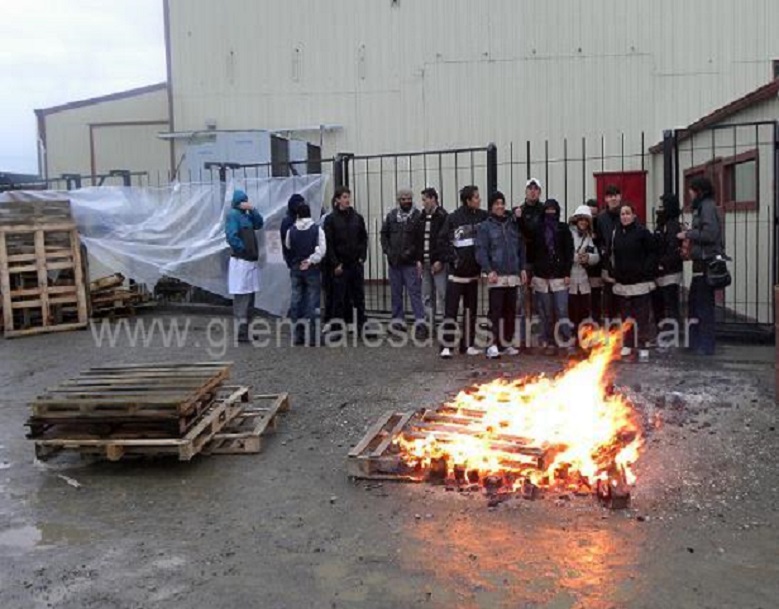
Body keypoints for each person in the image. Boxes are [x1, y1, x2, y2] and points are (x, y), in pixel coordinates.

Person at [437, 185, 489, 358]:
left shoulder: (483, 216)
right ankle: (446, 346)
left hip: (473, 275)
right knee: (451, 311)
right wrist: (453, 259)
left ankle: (467, 345)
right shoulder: (453, 218)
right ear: (468, 200)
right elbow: (442, 240)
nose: (479, 200)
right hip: (456, 276)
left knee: (470, 311)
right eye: (476, 197)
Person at [475, 191, 527, 358]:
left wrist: (522, 268)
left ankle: (506, 343)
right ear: (491, 206)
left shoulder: (513, 225)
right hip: (496, 276)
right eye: (496, 203)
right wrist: (488, 270)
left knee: (510, 311)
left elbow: (521, 247)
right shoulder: (485, 227)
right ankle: (492, 345)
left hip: (512, 274)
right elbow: (481, 250)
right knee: (495, 312)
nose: (500, 206)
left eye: (502, 203)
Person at [677, 176, 724, 356]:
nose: (689, 194)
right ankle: (695, 343)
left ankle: (705, 345)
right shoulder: (703, 207)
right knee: (695, 304)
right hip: (700, 264)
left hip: (706, 264)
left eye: (691, 190)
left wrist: (688, 234)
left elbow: (710, 234)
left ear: (699, 191)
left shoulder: (707, 207)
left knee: (703, 306)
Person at [612, 204, 656, 359]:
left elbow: (652, 253)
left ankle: (643, 344)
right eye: (622, 214)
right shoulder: (616, 233)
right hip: (623, 282)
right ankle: (628, 343)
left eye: (627, 213)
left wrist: (645, 270)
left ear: (634, 215)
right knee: (626, 316)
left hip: (640, 281)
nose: (625, 216)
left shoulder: (642, 232)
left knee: (642, 315)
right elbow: (613, 254)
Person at [380, 188, 426, 338]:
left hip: (410, 262)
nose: (407, 201)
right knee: (396, 294)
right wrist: (388, 251)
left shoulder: (418, 216)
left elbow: (419, 240)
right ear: (398, 200)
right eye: (403, 199)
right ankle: (397, 322)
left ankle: (420, 324)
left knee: (415, 294)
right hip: (394, 263)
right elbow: (384, 235)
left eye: (409, 198)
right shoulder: (392, 216)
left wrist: (411, 254)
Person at [324, 186, 369, 337]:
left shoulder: (357, 218)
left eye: (348, 196)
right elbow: (329, 243)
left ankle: (361, 325)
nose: (347, 200)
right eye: (344, 197)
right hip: (340, 265)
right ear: (337, 200)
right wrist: (335, 263)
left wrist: (362, 257)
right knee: (339, 298)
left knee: (359, 297)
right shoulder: (331, 220)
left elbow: (363, 238)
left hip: (355, 263)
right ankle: (337, 328)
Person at [530, 199, 574, 354]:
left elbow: (569, 251)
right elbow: (532, 251)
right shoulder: (538, 229)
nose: (550, 212)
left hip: (560, 276)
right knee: (546, 312)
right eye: (547, 209)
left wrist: (567, 272)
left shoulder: (563, 229)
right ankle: (549, 341)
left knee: (562, 310)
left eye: (553, 209)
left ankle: (566, 340)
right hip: (541, 277)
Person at [224, 189, 264, 343]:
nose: (246, 203)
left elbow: (259, 223)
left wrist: (253, 210)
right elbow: (231, 236)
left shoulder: (247, 216)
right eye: (243, 201)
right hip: (241, 261)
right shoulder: (233, 216)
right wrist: (243, 249)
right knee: (242, 296)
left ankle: (248, 328)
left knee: (250, 296)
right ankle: (242, 330)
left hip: (249, 261)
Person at [285, 203, 326, 346]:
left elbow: (288, 245)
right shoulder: (317, 229)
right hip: (311, 268)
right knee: (313, 302)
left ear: (297, 215)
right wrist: (310, 260)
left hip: (296, 267)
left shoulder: (291, 230)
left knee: (296, 301)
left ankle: (298, 335)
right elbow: (322, 250)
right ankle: (314, 336)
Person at [514, 178, 545, 348]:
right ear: (525, 191)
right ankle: (523, 340)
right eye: (530, 188)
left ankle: (542, 338)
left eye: (536, 189)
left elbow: (535, 233)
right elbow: (519, 236)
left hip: (540, 261)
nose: (533, 191)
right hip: (525, 261)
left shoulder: (544, 210)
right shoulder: (519, 211)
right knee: (523, 301)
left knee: (541, 301)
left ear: (539, 192)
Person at [568, 205, 600, 342]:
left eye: (586, 220)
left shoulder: (589, 237)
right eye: (581, 219)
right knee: (571, 312)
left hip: (583, 280)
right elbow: (563, 254)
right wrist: (577, 257)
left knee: (584, 312)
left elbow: (596, 256)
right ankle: (572, 337)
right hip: (570, 280)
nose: (583, 222)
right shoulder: (568, 234)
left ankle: (583, 338)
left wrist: (588, 258)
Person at [652, 193, 683, 333]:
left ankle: (671, 332)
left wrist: (660, 264)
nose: (659, 208)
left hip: (669, 271)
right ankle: (668, 331)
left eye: (662, 205)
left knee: (669, 304)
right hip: (664, 270)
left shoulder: (672, 225)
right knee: (665, 303)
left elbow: (672, 249)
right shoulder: (663, 223)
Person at [418, 187, 448, 325]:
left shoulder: (442, 216)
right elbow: (417, 239)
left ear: (433, 199)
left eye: (425, 200)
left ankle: (446, 323)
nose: (423, 203)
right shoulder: (421, 217)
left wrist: (440, 259)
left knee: (442, 293)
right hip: (425, 262)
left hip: (437, 262)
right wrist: (419, 259)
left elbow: (445, 240)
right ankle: (429, 323)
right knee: (427, 295)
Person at [597, 184, 623, 321]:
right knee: (609, 301)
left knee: (624, 302)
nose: (613, 198)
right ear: (606, 199)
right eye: (610, 196)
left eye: (616, 195)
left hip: (624, 263)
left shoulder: (625, 214)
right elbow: (598, 240)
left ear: (620, 197)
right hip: (607, 264)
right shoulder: (601, 218)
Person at [585, 198, 604, 322]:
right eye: (590, 214)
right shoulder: (579, 226)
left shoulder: (600, 227)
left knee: (596, 298)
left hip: (596, 269)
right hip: (582, 270)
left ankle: (596, 321)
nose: (592, 218)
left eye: (595, 215)